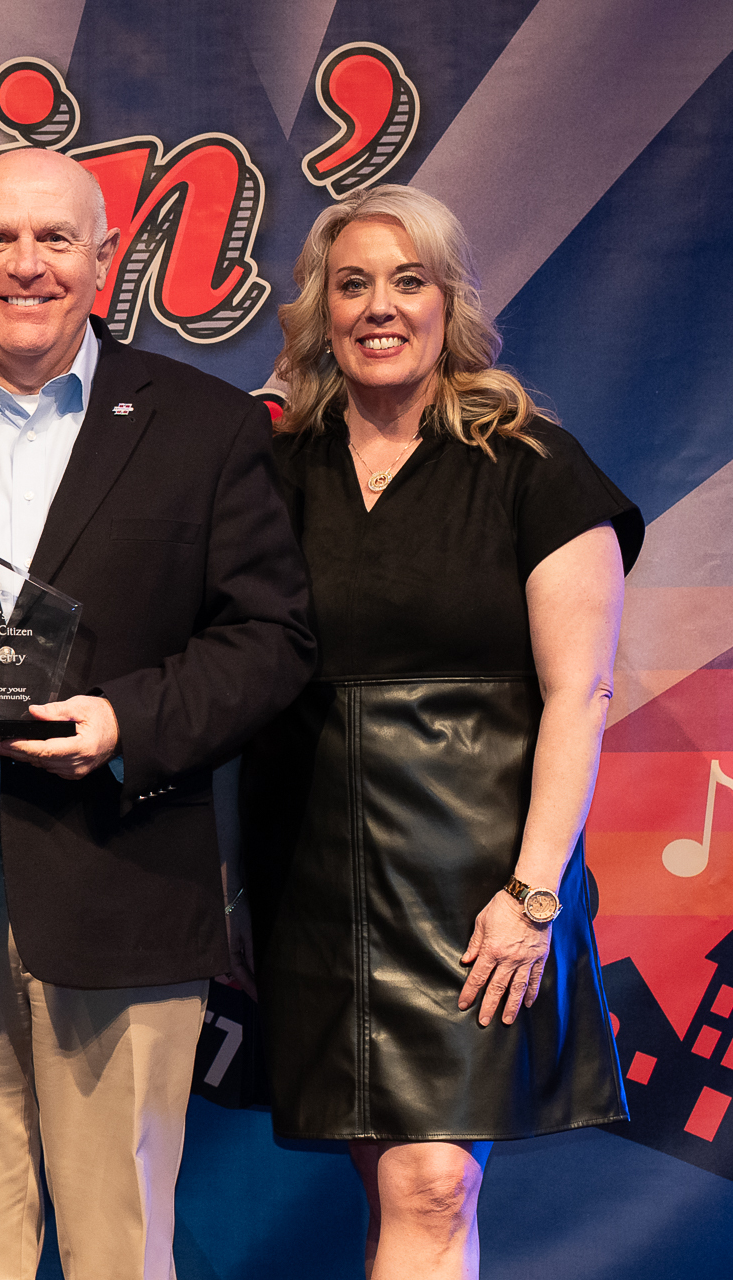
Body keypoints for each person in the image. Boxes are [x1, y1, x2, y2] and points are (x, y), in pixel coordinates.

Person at [0, 146, 315, 1279]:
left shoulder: (206, 426)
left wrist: (128, 723)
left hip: (122, 883)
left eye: (55, 239)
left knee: (121, 1248)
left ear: (104, 257)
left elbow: (270, 637)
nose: (25, 264)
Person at [241, 184, 641, 1279]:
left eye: (407, 281)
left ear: (449, 302)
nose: (380, 306)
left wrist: (533, 894)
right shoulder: (271, 469)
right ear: (321, 310)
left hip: (479, 884)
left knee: (435, 1181)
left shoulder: (534, 464)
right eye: (352, 284)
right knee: (388, 1177)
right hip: (314, 880)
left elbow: (582, 693)